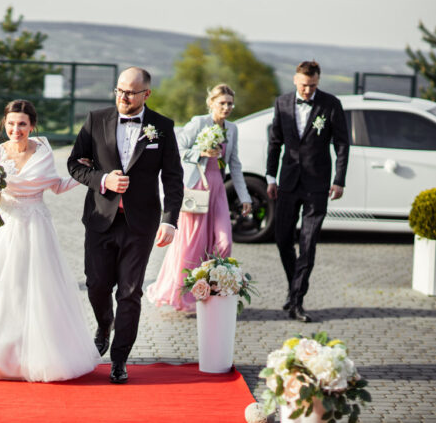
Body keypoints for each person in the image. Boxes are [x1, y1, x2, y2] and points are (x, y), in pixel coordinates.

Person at [0, 100, 100, 382]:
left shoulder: (43, 150)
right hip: (3, 228)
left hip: (36, 227)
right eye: (11, 123)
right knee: (1, 288)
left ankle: (41, 356)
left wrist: (85, 174)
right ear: (4, 124)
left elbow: (57, 187)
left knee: (39, 290)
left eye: (22, 124)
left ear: (32, 126)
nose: (16, 129)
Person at [67, 67, 184, 384]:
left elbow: (173, 178)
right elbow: (74, 164)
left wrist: (170, 220)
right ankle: (104, 324)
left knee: (130, 293)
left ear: (146, 94)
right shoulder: (96, 119)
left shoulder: (162, 127)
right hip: (100, 219)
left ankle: (119, 359)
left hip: (140, 223)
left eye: (131, 92)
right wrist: (103, 179)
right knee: (97, 285)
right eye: (119, 90)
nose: (123, 97)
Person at [146, 83, 252, 312]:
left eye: (230, 104)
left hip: (218, 189)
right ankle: (185, 295)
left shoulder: (232, 129)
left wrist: (245, 197)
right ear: (211, 103)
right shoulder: (199, 122)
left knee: (224, 242)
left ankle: (213, 291)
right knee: (191, 244)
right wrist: (200, 152)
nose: (226, 108)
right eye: (222, 103)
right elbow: (177, 148)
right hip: (197, 187)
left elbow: (234, 164)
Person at [266, 60, 349, 323]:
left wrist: (339, 180)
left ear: (318, 82)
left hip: (317, 185)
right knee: (282, 239)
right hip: (288, 183)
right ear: (295, 80)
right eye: (304, 85)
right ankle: (294, 288)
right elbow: (275, 142)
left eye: (312, 86)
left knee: (308, 244)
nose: (307, 90)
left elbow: (342, 144)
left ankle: (297, 301)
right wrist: (270, 177)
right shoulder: (282, 103)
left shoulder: (331, 104)